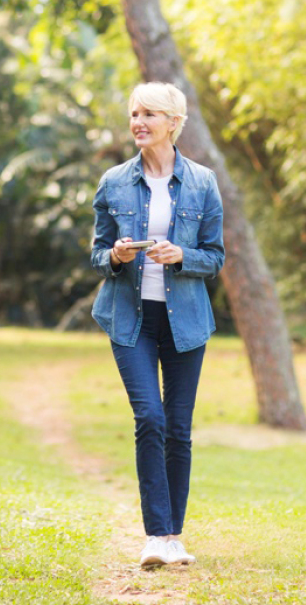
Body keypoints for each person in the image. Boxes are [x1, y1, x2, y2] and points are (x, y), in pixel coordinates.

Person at [90, 82, 225, 568]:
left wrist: (182, 254)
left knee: (179, 428)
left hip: (185, 321)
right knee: (150, 418)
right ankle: (154, 536)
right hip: (131, 321)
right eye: (133, 113)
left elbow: (215, 257)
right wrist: (116, 255)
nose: (138, 122)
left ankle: (173, 537)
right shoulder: (114, 182)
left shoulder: (204, 183)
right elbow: (97, 252)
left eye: (149, 113)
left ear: (173, 122)